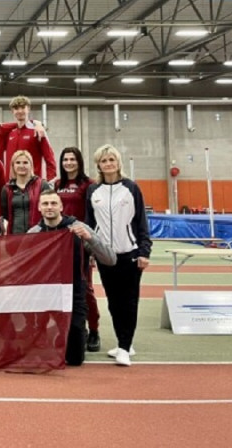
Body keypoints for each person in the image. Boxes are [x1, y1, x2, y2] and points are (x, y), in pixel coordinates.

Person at [28, 190, 116, 366]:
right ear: (39, 207)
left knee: (75, 358)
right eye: (45, 204)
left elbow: (110, 259)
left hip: (74, 292)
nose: (49, 207)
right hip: (46, 293)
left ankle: (77, 332)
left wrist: (90, 239)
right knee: (42, 354)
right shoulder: (34, 233)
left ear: (61, 206)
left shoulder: (78, 228)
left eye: (53, 203)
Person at [87, 144, 152, 367]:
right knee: (114, 303)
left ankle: (125, 347)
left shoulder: (131, 188)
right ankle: (123, 340)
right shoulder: (93, 191)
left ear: (118, 162)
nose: (108, 164)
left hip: (130, 253)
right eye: (104, 161)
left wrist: (144, 251)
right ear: (99, 165)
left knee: (129, 301)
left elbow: (142, 222)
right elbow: (90, 225)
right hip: (106, 256)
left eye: (111, 160)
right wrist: (92, 251)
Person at [54, 146, 100, 352]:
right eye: (65, 159)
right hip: (59, 245)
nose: (69, 163)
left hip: (81, 244)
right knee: (61, 288)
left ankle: (94, 330)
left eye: (72, 159)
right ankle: (66, 329)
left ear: (79, 161)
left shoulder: (89, 184)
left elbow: (92, 216)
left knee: (86, 288)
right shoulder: (56, 184)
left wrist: (90, 247)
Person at [4, 96, 57, 180]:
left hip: (32, 184)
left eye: (22, 107)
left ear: (28, 109)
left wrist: (50, 181)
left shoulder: (38, 131)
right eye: (16, 108)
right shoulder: (10, 133)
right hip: (11, 185)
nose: (20, 111)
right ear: (12, 111)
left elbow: (50, 158)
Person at [1, 150, 51, 235]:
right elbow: (5, 214)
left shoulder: (42, 185)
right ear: (13, 166)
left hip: (38, 235)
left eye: (25, 162)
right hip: (15, 236)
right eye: (18, 162)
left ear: (31, 165)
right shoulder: (7, 189)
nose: (21, 166)